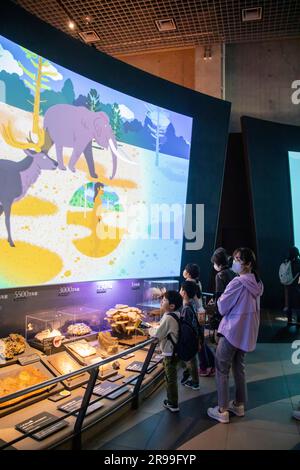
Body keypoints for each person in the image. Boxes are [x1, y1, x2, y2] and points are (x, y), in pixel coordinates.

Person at [207, 247, 263, 424]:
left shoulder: (237, 282)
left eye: (239, 259)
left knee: (221, 367)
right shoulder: (257, 283)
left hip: (232, 331)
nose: (235, 261)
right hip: (245, 333)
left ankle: (222, 409)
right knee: (239, 367)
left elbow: (223, 307)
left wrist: (217, 301)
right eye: (235, 257)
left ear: (248, 263)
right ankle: (239, 404)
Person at [148, 290, 183, 412]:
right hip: (176, 351)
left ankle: (173, 403)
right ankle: (172, 401)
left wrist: (149, 330)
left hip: (170, 353)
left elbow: (157, 335)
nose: (161, 302)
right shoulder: (177, 314)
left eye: (164, 300)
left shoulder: (168, 317)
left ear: (172, 306)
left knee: (170, 378)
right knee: (171, 376)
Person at [183, 262, 216, 377]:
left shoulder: (187, 284)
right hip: (201, 313)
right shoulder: (198, 282)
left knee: (198, 343)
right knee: (201, 340)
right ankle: (212, 364)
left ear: (187, 273)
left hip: (194, 315)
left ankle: (204, 367)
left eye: (185, 270)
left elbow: (183, 299)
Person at [179, 281, 201, 390]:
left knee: (191, 361)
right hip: (193, 338)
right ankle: (189, 376)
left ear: (184, 293)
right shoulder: (191, 304)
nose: (180, 291)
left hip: (189, 340)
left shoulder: (186, 309)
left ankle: (195, 382)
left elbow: (186, 327)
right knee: (191, 360)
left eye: (181, 289)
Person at [283, 246, 300, 324]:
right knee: (298, 304)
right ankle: (299, 320)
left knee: (289, 304)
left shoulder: (286, 262)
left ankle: (289, 319)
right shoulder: (299, 262)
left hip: (287, 285)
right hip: (296, 286)